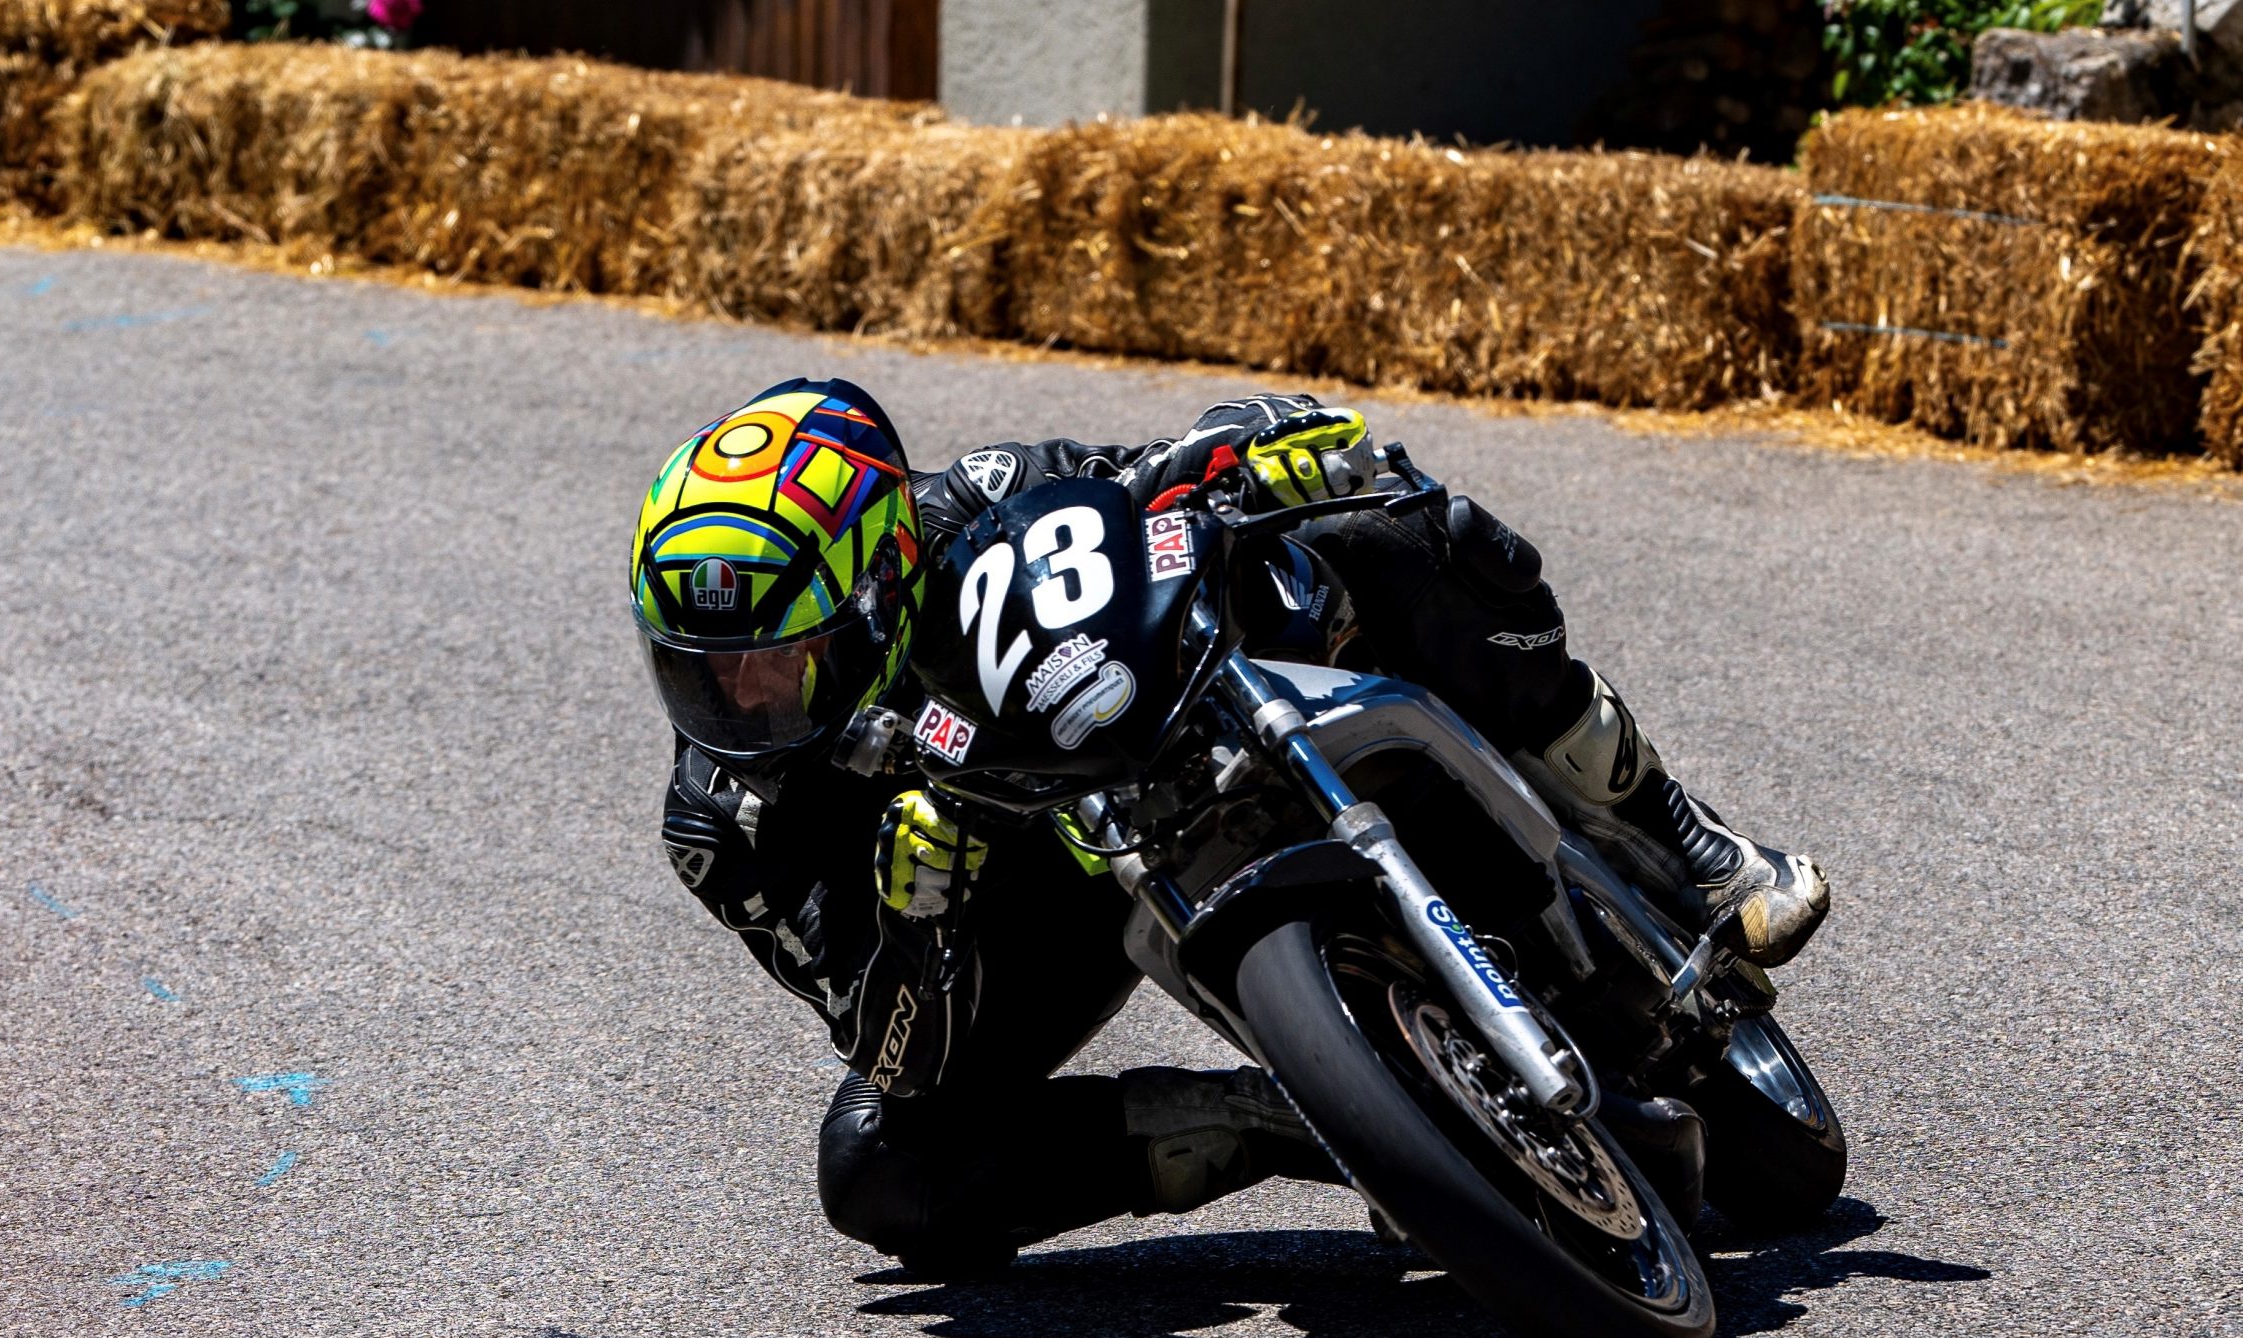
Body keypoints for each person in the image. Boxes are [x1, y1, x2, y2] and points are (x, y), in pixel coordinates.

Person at [632, 378, 1828, 1276]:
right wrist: (915, 912)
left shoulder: (972, 505)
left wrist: (1245, 446)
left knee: (1386, 527)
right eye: (704, 674)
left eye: (775, 665)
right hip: (1001, 922)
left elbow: (1134, 497)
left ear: (879, 576)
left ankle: (1681, 840)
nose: (741, 706)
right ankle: (1320, 1119)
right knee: (878, 1169)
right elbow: (896, 1056)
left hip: (1136, 742)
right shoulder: (722, 824)